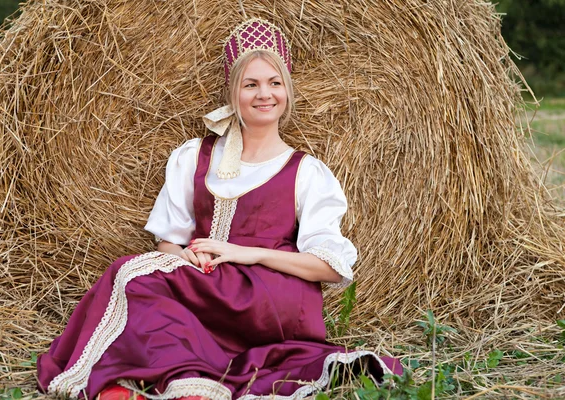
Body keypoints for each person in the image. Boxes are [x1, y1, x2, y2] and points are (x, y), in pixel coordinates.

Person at [36, 18, 402, 400]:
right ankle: (181, 384)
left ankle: (148, 381)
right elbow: (167, 244)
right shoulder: (194, 156)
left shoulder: (306, 171)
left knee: (128, 273)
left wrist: (243, 253)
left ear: (288, 92)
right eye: (251, 84)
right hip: (205, 284)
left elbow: (328, 267)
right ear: (233, 93)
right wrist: (189, 260)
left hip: (271, 296)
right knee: (144, 285)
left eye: (274, 83)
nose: (264, 94)